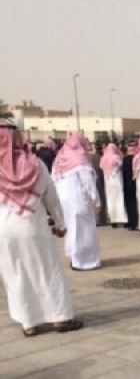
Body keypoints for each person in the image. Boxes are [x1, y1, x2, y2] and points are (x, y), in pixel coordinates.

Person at [0, 122, 84, 337]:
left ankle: (28, 323)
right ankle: (59, 318)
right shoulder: (35, 164)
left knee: (16, 274)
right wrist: (60, 224)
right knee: (47, 271)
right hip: (32, 226)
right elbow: (51, 198)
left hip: (4, 231)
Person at [52, 132, 102, 271]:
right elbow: (88, 182)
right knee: (83, 230)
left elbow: (53, 180)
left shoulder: (60, 158)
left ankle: (75, 258)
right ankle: (85, 261)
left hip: (64, 201)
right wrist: (96, 199)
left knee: (72, 228)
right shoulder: (80, 158)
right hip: (78, 199)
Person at [100, 143, 128, 228]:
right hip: (117, 181)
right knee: (119, 199)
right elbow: (121, 165)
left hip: (108, 182)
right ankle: (122, 219)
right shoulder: (116, 157)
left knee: (110, 200)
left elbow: (101, 167)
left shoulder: (103, 159)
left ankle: (113, 220)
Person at [121, 140, 139, 231]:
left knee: (129, 203)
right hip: (136, 184)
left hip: (126, 184)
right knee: (135, 203)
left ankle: (131, 222)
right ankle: (135, 222)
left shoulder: (125, 159)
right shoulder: (137, 158)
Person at [91, 142, 108, 227]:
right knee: (100, 198)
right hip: (98, 180)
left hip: (92, 181)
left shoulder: (83, 158)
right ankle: (101, 219)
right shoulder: (98, 157)